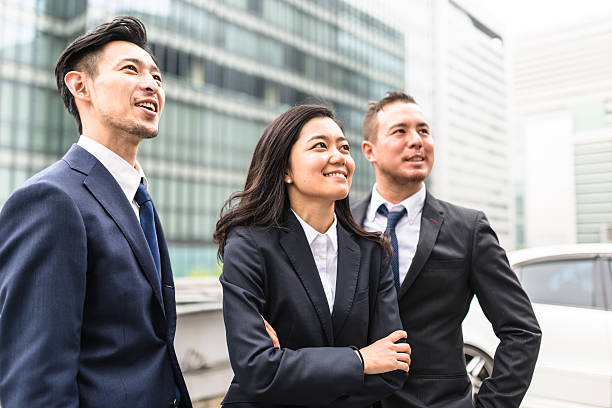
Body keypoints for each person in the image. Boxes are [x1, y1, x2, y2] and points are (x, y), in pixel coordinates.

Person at [0, 17, 191, 407]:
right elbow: (34, 382)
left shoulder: (136, 199)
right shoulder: (50, 200)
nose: (151, 84)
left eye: (156, 75)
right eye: (130, 69)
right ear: (80, 85)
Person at [351, 92, 542, 408]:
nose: (417, 141)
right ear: (369, 150)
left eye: (423, 131)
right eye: (400, 131)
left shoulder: (469, 229)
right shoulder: (342, 223)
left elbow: (522, 331)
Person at [214, 104, 411, 407]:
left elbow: (392, 368)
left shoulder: (374, 252)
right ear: (285, 169)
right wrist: (360, 361)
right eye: (321, 145)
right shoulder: (249, 245)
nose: (340, 157)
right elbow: (257, 368)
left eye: (344, 147)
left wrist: (291, 366)